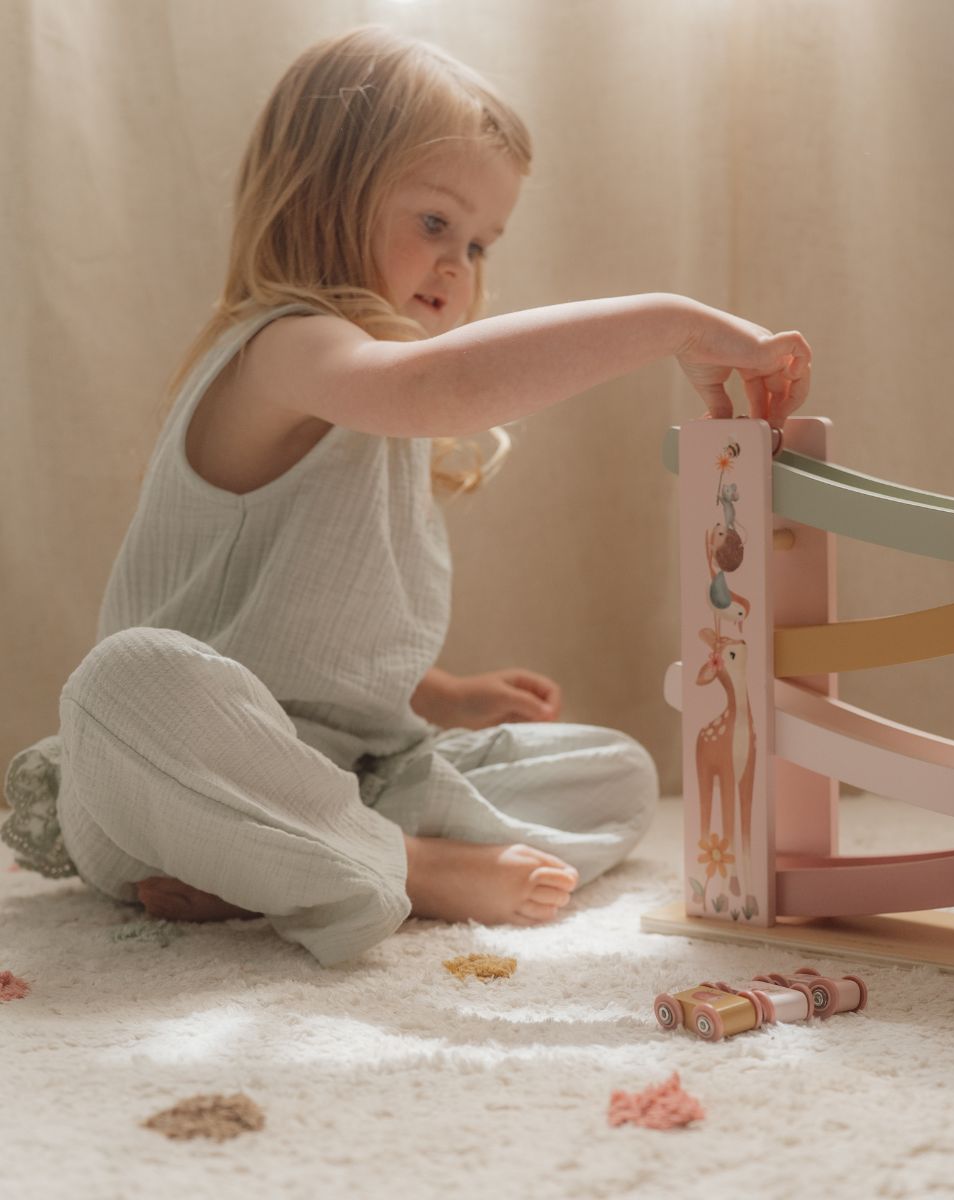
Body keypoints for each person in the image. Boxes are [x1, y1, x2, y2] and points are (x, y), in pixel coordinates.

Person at [1, 26, 812, 967]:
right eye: (435, 224)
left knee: (619, 775)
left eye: (479, 242)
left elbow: (316, 630)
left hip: (341, 775)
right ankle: (407, 865)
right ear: (323, 194)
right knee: (121, 680)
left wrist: (448, 696)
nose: (460, 265)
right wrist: (670, 322)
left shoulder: (364, 410)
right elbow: (439, 389)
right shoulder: (284, 348)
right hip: (165, 776)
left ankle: (288, 860)